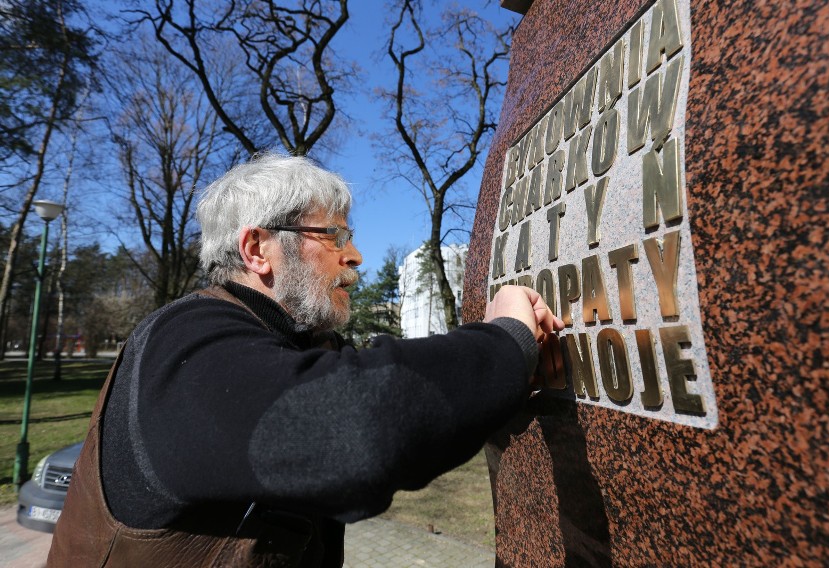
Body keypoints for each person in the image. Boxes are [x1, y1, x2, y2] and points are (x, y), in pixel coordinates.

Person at [48, 153, 563, 567]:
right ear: (257, 249)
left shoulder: (287, 346)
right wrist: (507, 338)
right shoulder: (184, 342)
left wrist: (513, 377)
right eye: (334, 235)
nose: (355, 254)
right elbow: (359, 430)